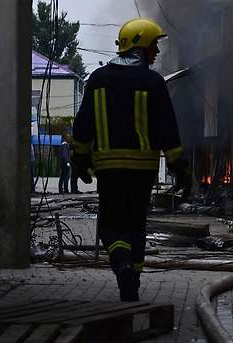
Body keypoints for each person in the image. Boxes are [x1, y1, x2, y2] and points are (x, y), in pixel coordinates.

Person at [72, 18, 187, 301]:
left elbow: (83, 125)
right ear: (140, 45)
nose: (156, 52)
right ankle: (131, 282)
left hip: (109, 169)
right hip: (142, 169)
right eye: (154, 46)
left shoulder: (97, 80)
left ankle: (121, 263)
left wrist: (80, 160)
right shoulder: (153, 82)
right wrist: (178, 165)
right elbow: (167, 127)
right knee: (136, 224)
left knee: (111, 225)